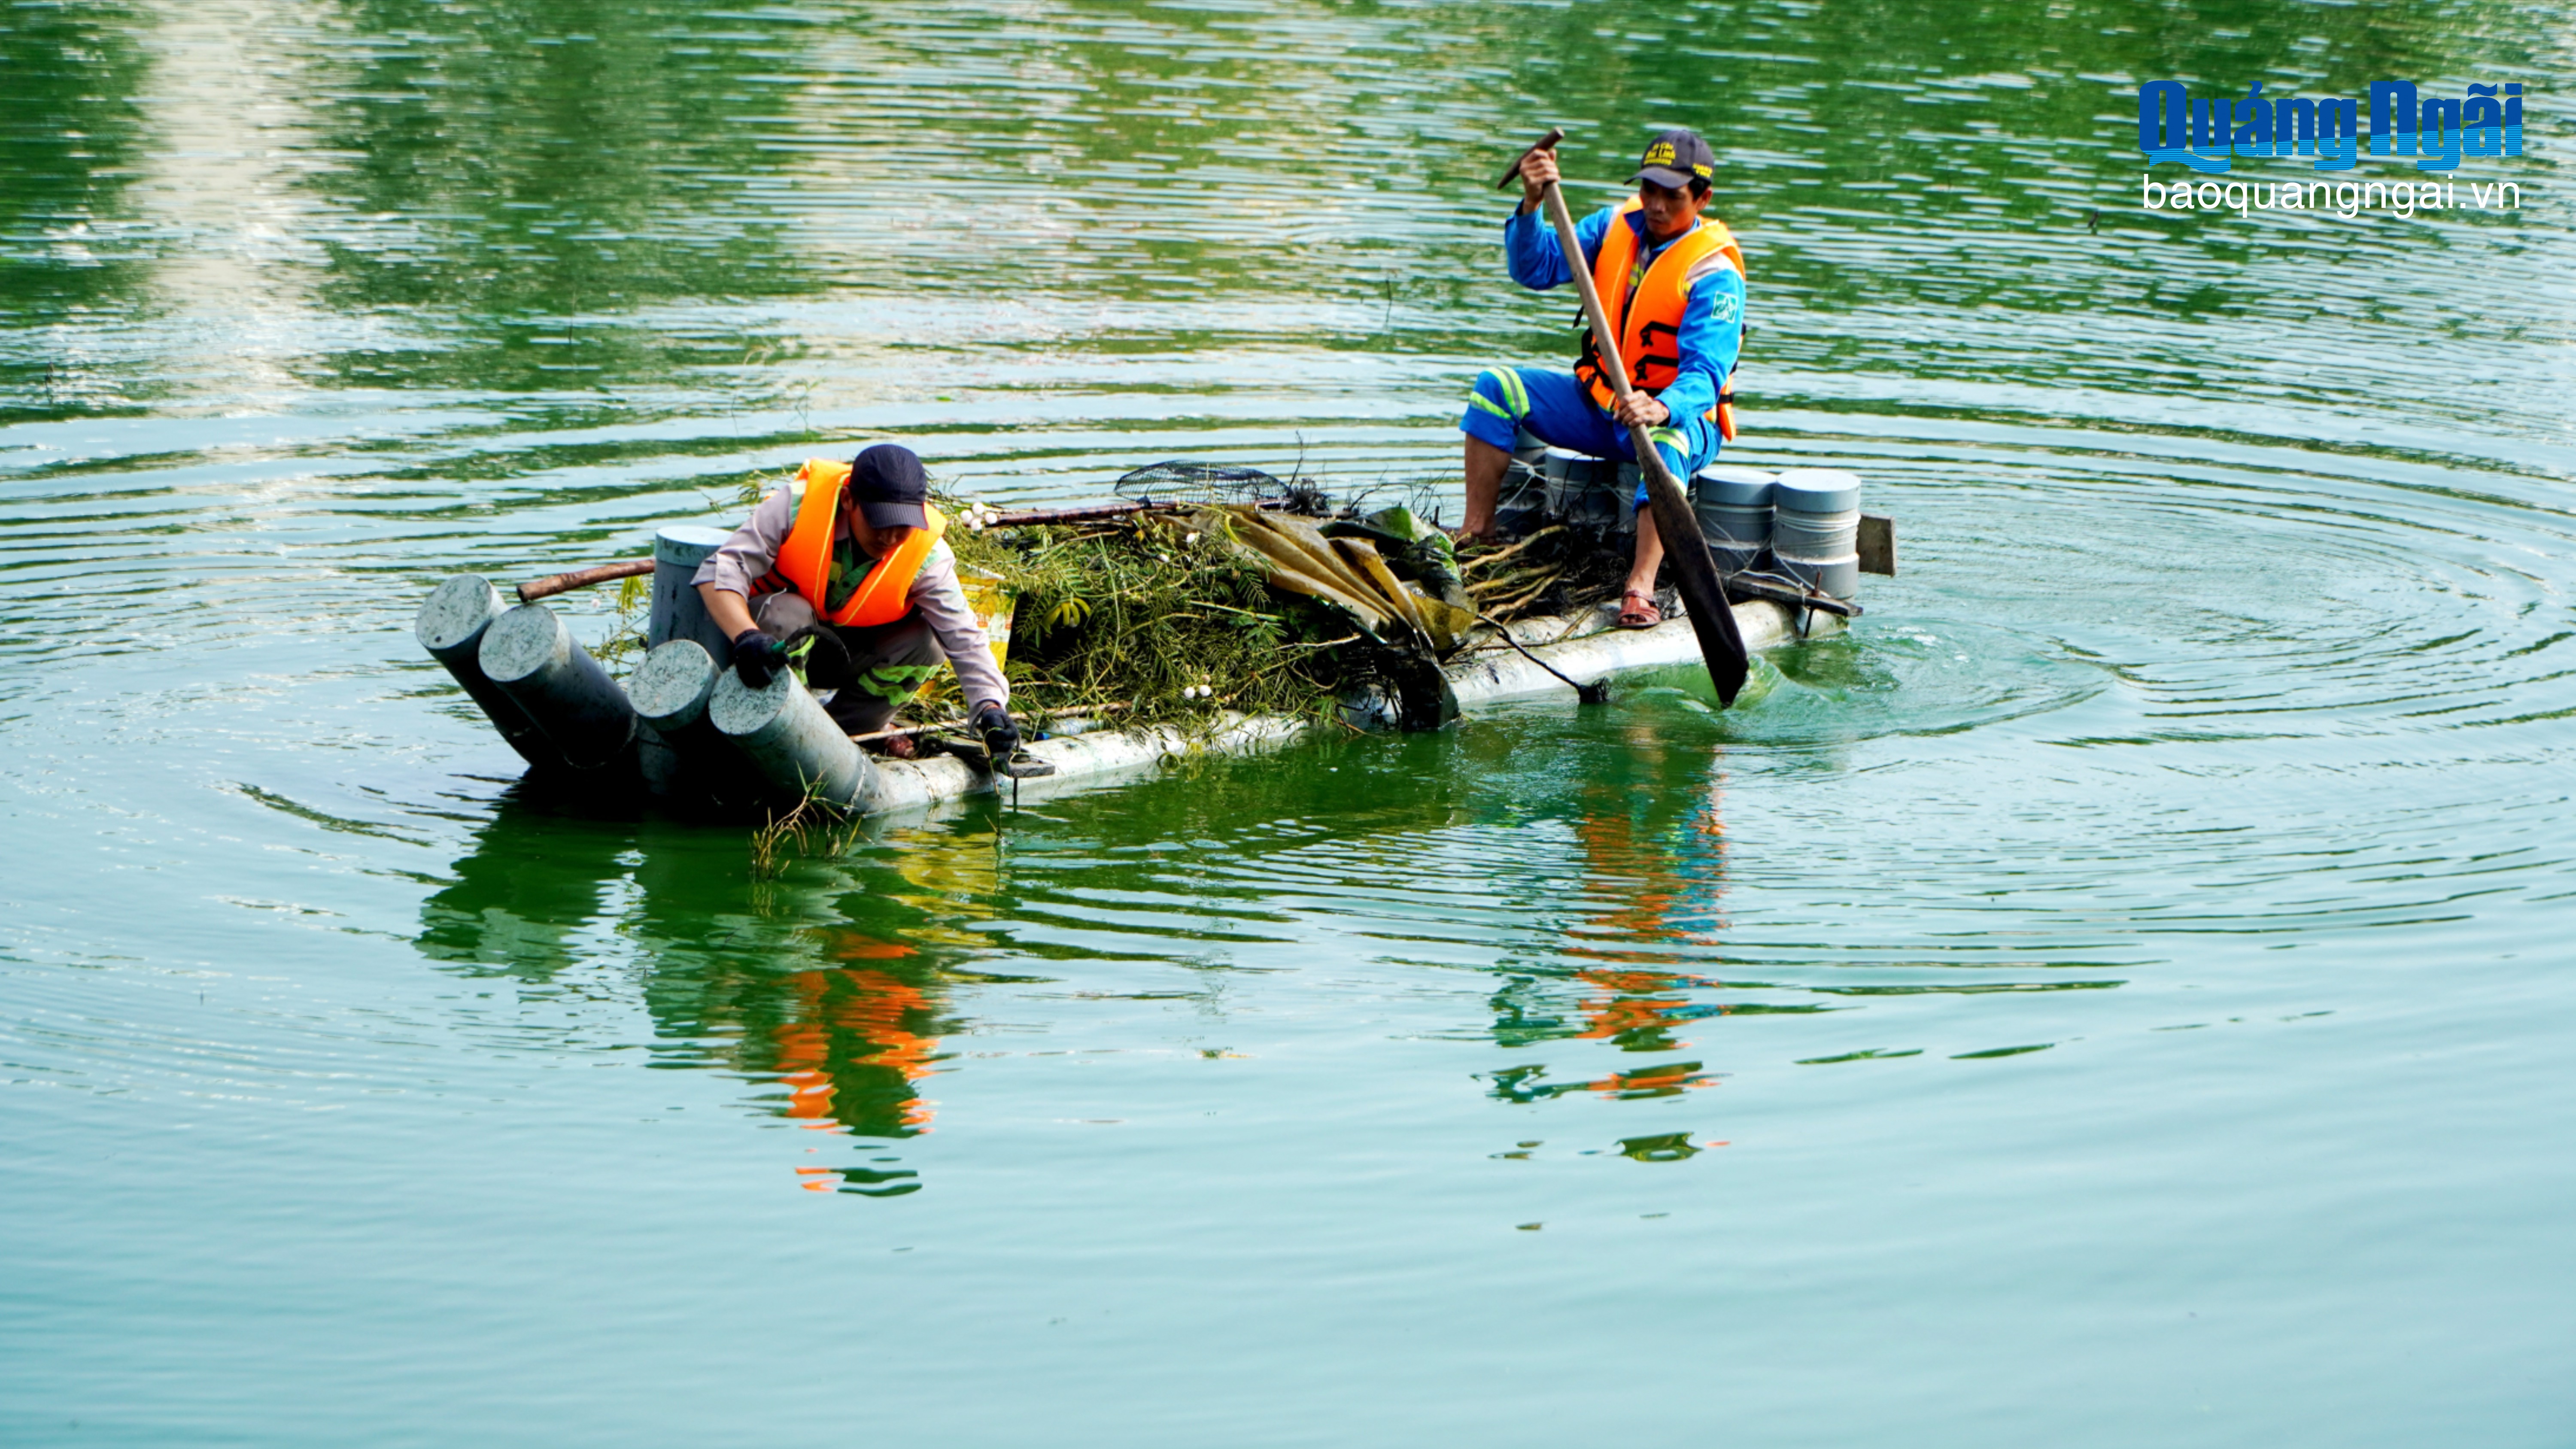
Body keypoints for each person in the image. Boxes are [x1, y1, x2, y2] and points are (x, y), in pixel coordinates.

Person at [1458, 129, 1748, 629]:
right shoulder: (1613, 226)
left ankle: (1640, 588)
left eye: (1671, 196)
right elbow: (1536, 268)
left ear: (1702, 198)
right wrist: (1531, 205)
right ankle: (1476, 534)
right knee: (1495, 389)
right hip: (1601, 404)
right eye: (1649, 190)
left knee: (1666, 441)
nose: (1655, 205)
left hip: (1678, 418)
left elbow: (1706, 374)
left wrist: (1661, 406)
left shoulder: (1715, 273)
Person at [693, 443, 1020, 762]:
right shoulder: (796, 507)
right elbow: (719, 572)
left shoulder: (929, 556)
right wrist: (746, 636)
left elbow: (964, 639)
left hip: (851, 657)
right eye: (880, 522)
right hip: (771, 652)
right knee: (785, 614)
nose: (890, 539)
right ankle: (778, 727)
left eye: (902, 527)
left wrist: (991, 708)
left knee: (928, 642)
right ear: (849, 500)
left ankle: (838, 737)